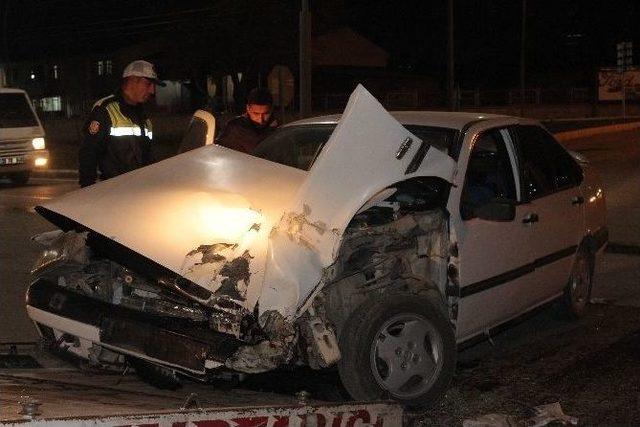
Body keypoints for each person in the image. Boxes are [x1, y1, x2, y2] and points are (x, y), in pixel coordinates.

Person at [78, 60, 165, 187]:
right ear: (132, 81)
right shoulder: (106, 109)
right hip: (115, 192)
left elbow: (148, 156)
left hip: (141, 190)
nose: (152, 90)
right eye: (148, 84)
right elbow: (89, 153)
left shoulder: (143, 116)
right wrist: (86, 190)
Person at [216, 87, 278, 153]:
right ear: (248, 109)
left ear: (271, 109)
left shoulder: (278, 128)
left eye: (266, 114)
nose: (260, 120)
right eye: (256, 114)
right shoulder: (235, 129)